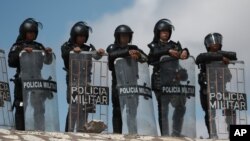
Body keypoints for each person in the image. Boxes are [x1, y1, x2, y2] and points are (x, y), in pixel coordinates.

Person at [8, 18, 52, 130]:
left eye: (33, 32)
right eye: (29, 32)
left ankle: (39, 129)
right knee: (21, 105)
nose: (32, 34)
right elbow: (11, 62)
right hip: (23, 79)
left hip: (37, 79)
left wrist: (48, 53)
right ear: (24, 33)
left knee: (39, 106)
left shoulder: (39, 46)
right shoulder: (17, 46)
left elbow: (48, 62)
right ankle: (20, 130)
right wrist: (21, 53)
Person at [148, 19, 189, 136]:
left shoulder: (175, 45)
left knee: (180, 106)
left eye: (167, 31)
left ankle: (176, 132)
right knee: (163, 109)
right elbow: (151, 57)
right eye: (163, 31)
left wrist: (185, 51)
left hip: (173, 81)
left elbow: (183, 55)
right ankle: (164, 135)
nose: (165, 33)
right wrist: (168, 51)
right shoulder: (154, 45)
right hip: (159, 80)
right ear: (158, 33)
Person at [61, 21, 105, 132]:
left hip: (86, 82)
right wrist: (73, 50)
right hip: (73, 81)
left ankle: (81, 131)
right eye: (79, 36)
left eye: (84, 36)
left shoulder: (88, 48)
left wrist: (99, 52)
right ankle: (68, 132)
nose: (81, 38)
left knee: (84, 108)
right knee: (74, 107)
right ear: (74, 36)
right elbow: (65, 54)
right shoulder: (66, 46)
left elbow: (96, 56)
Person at [106, 24, 147, 134]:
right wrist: (127, 52)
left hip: (133, 84)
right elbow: (110, 58)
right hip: (118, 84)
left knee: (132, 111)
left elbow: (147, 58)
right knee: (118, 110)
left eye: (127, 36)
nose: (125, 38)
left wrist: (138, 54)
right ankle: (117, 135)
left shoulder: (134, 48)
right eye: (123, 36)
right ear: (118, 37)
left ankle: (133, 134)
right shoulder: (112, 47)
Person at [196, 32, 237, 139]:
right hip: (207, 90)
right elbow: (198, 58)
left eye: (217, 41)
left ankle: (234, 134)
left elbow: (229, 77)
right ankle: (213, 135)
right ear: (207, 44)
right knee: (210, 113)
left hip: (221, 89)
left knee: (231, 108)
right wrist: (220, 57)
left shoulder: (224, 61)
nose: (215, 43)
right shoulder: (204, 58)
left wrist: (225, 65)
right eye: (212, 42)